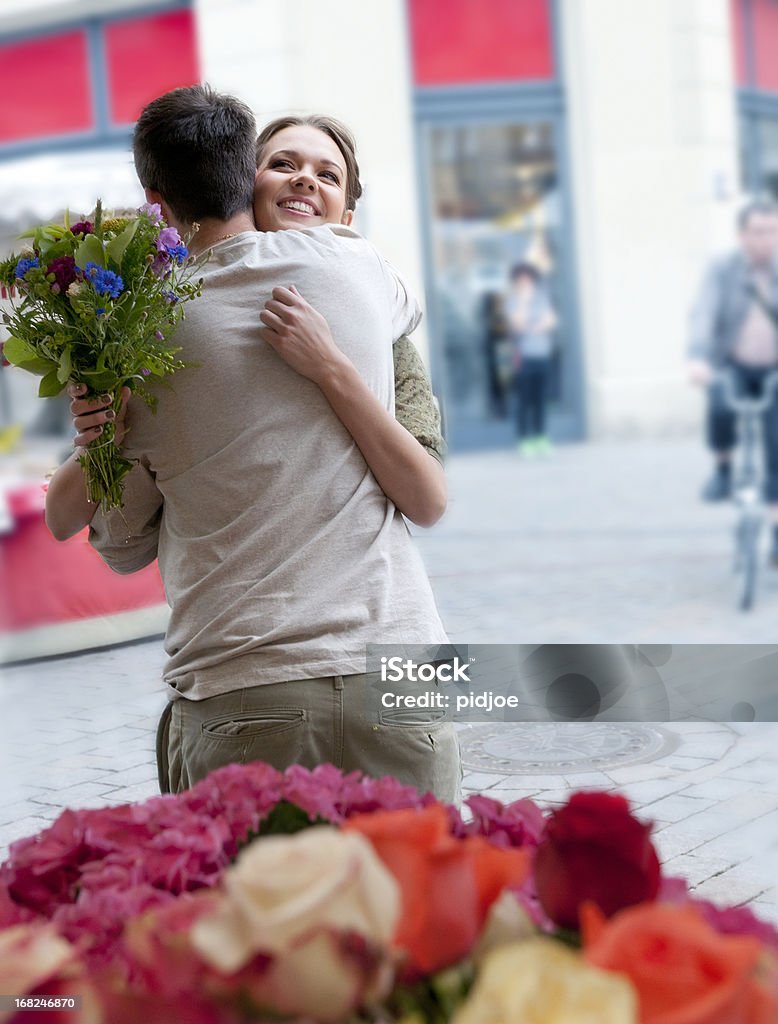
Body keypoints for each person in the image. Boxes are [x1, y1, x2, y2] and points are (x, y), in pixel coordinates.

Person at [45, 85, 460, 801]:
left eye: (327, 176)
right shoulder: (360, 271)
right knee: (428, 910)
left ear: (156, 199)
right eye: (284, 165)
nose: (304, 184)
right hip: (402, 670)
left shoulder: (140, 343)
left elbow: (112, 542)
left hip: (245, 686)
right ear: (247, 177)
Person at [688, 200, 778, 563]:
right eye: (759, 231)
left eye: (773, 231)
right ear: (742, 236)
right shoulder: (722, 268)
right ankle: (723, 468)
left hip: (774, 369)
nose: (768, 239)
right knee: (720, 403)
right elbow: (703, 313)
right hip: (734, 363)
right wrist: (697, 358)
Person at [506, 262, 558, 456]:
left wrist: (539, 325)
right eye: (521, 279)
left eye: (528, 278)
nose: (525, 282)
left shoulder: (541, 297)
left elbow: (551, 320)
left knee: (540, 400)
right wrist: (524, 303)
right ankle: (525, 439)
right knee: (524, 400)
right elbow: (517, 325)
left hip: (542, 355)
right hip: (524, 358)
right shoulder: (514, 301)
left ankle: (540, 437)